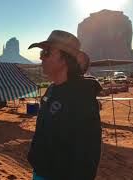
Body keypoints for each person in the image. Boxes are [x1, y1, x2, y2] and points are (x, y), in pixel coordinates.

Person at [27, 30, 102, 180]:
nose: (41, 58)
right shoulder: (52, 89)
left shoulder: (81, 96)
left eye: (47, 53)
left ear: (65, 59)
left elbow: (89, 152)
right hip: (41, 171)